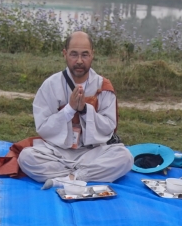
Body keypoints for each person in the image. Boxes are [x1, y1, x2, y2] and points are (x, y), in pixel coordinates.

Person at [17, 31, 133, 187]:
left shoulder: (102, 86)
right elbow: (43, 127)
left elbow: (109, 127)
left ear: (92, 55)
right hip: (57, 152)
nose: (79, 61)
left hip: (92, 152)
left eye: (85, 55)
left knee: (124, 157)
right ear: (65, 54)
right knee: (26, 157)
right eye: (74, 54)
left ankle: (67, 179)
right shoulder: (51, 85)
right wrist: (69, 110)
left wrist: (85, 110)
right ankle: (82, 176)